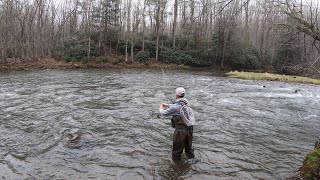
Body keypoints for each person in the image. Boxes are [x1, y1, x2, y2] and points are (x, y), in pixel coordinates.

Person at [159, 87, 195, 161]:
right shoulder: (186, 102)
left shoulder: (176, 107)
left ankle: (177, 166)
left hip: (180, 131)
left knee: (176, 152)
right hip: (190, 128)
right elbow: (177, 106)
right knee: (189, 149)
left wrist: (161, 107)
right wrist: (168, 105)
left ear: (176, 95)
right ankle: (192, 164)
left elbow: (163, 113)